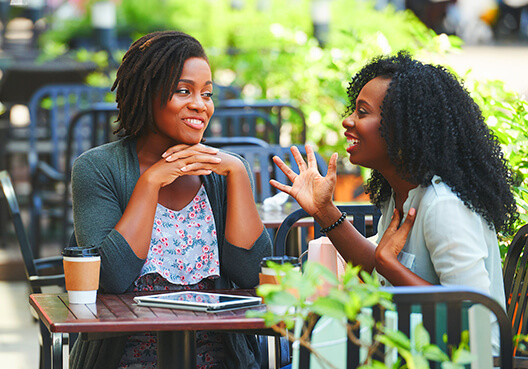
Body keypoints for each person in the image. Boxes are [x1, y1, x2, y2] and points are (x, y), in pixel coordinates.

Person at [270, 51, 517, 352]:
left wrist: (390, 266)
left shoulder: (444, 207)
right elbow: (377, 273)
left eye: (362, 112)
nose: (348, 121)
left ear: (402, 130)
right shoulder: (400, 194)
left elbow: (477, 327)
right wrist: (324, 211)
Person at [68, 30, 272, 369]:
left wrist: (238, 173)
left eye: (207, 94)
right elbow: (112, 277)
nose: (200, 104)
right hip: (125, 359)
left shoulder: (222, 172)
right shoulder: (97, 168)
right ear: (148, 93)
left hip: (220, 358)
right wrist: (150, 183)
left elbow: (251, 273)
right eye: (183, 91)